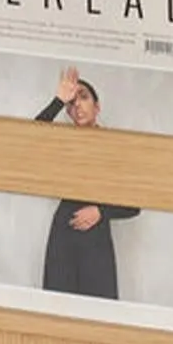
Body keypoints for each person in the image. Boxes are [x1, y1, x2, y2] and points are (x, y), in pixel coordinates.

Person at [34, 66, 139, 300]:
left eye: (83, 97)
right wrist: (59, 100)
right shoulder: (64, 144)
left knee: (100, 308)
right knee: (59, 307)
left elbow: (135, 205)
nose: (77, 105)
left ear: (97, 106)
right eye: (72, 103)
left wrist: (101, 211)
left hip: (96, 238)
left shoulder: (116, 148)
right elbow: (31, 137)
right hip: (63, 234)